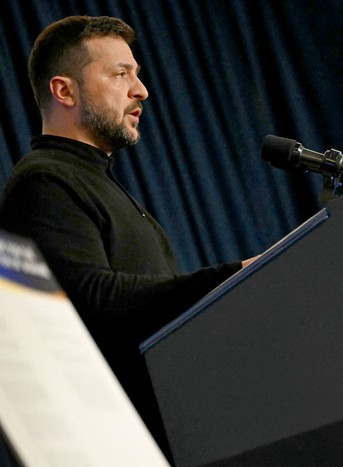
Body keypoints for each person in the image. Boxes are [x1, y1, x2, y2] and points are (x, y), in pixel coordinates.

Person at [0, 16, 255, 458]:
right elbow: (93, 300)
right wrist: (232, 278)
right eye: (121, 74)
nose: (142, 90)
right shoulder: (44, 182)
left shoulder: (97, 180)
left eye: (136, 74)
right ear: (64, 91)